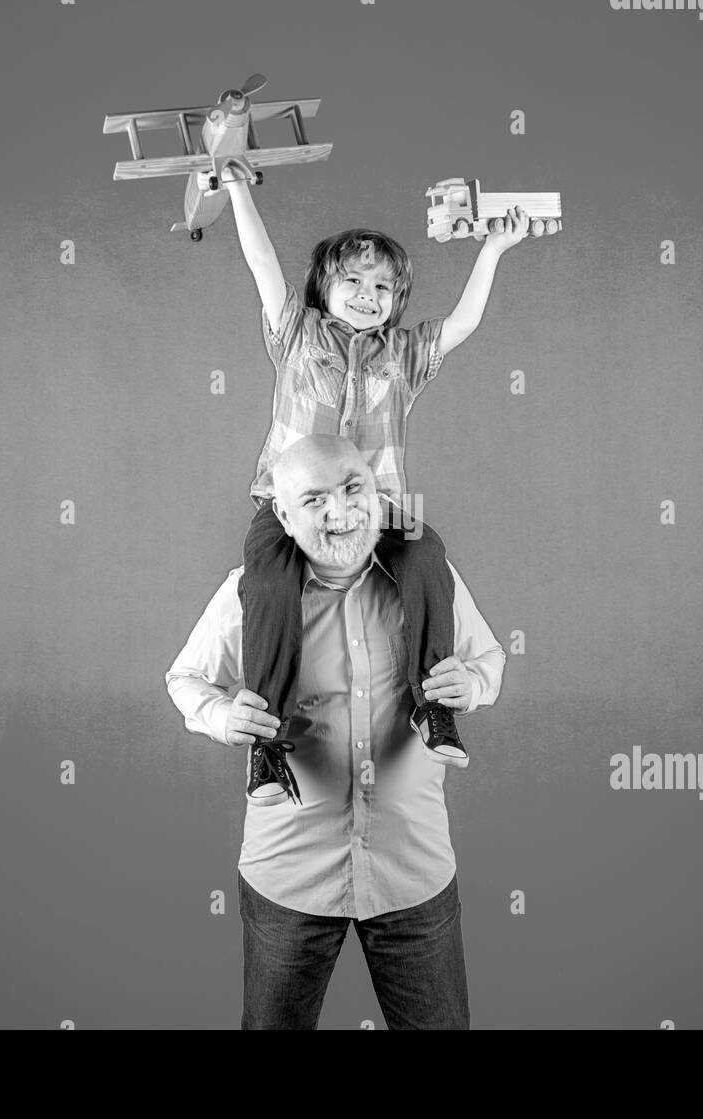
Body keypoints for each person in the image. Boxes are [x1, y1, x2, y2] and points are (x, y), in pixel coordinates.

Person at [166, 434, 506, 1029]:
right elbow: (187, 679)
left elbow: (489, 661)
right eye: (315, 499)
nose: (341, 513)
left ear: (378, 490)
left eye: (353, 489)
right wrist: (224, 718)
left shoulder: (430, 578)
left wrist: (469, 686)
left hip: (412, 867)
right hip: (290, 873)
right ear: (283, 514)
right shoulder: (250, 592)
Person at [221, 166, 527, 805]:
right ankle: (267, 746)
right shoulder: (296, 335)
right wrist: (238, 191)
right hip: (291, 511)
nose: (369, 293)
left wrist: (491, 249)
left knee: (425, 554)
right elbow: (260, 260)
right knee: (270, 584)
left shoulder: (404, 355)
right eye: (353, 280)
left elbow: (463, 323)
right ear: (323, 288)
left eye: (384, 286)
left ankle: (431, 706)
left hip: (377, 510)